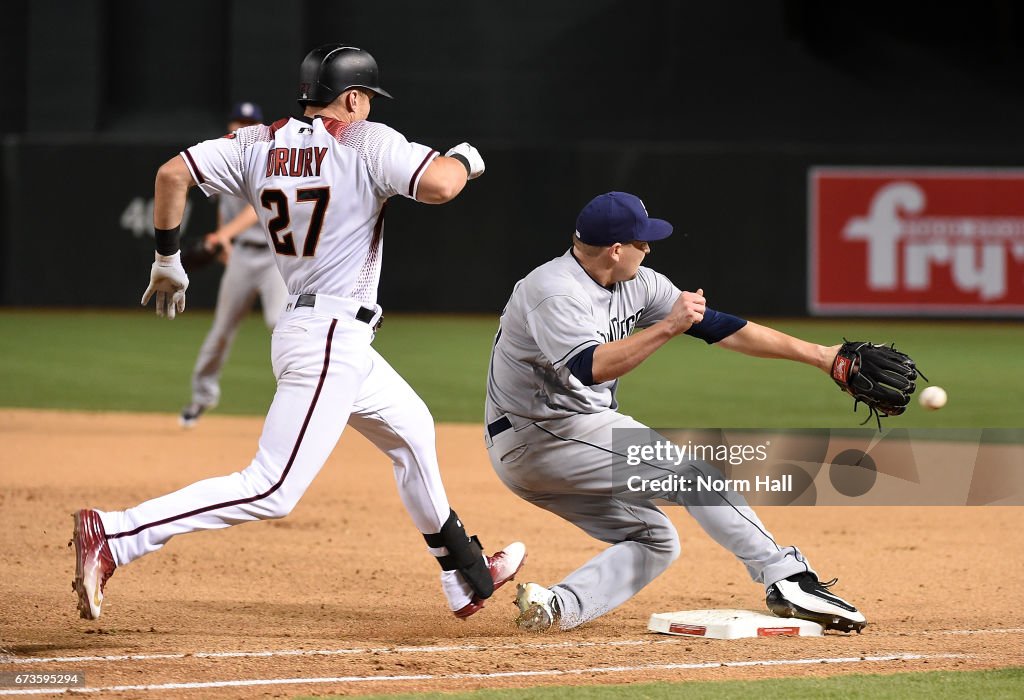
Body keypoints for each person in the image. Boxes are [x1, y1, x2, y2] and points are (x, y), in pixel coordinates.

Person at [71, 44, 525, 621]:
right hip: (331, 334)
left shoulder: (257, 142)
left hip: (318, 329)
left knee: (411, 430)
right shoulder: (364, 139)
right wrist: (466, 158)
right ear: (353, 97)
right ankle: (116, 535)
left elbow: (171, 174)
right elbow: (439, 185)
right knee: (272, 487)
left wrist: (166, 257)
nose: (367, 107)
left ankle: (465, 574)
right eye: (366, 99)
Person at [484, 191, 865, 633]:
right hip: (543, 435)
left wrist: (821, 356)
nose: (648, 249)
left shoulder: (638, 282)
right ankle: (787, 577)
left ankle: (556, 606)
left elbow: (720, 327)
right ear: (616, 249)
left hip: (557, 439)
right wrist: (668, 326)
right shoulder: (552, 290)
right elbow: (590, 367)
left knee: (655, 539)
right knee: (692, 475)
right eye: (642, 242)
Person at [180, 101, 289, 428]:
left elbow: (255, 209)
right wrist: (224, 242)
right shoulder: (224, 161)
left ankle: (297, 401)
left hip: (275, 257)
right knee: (222, 329)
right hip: (241, 253)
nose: (240, 127)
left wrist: (219, 236)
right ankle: (201, 398)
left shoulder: (268, 163)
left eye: (248, 122)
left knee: (280, 324)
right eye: (236, 122)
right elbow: (223, 207)